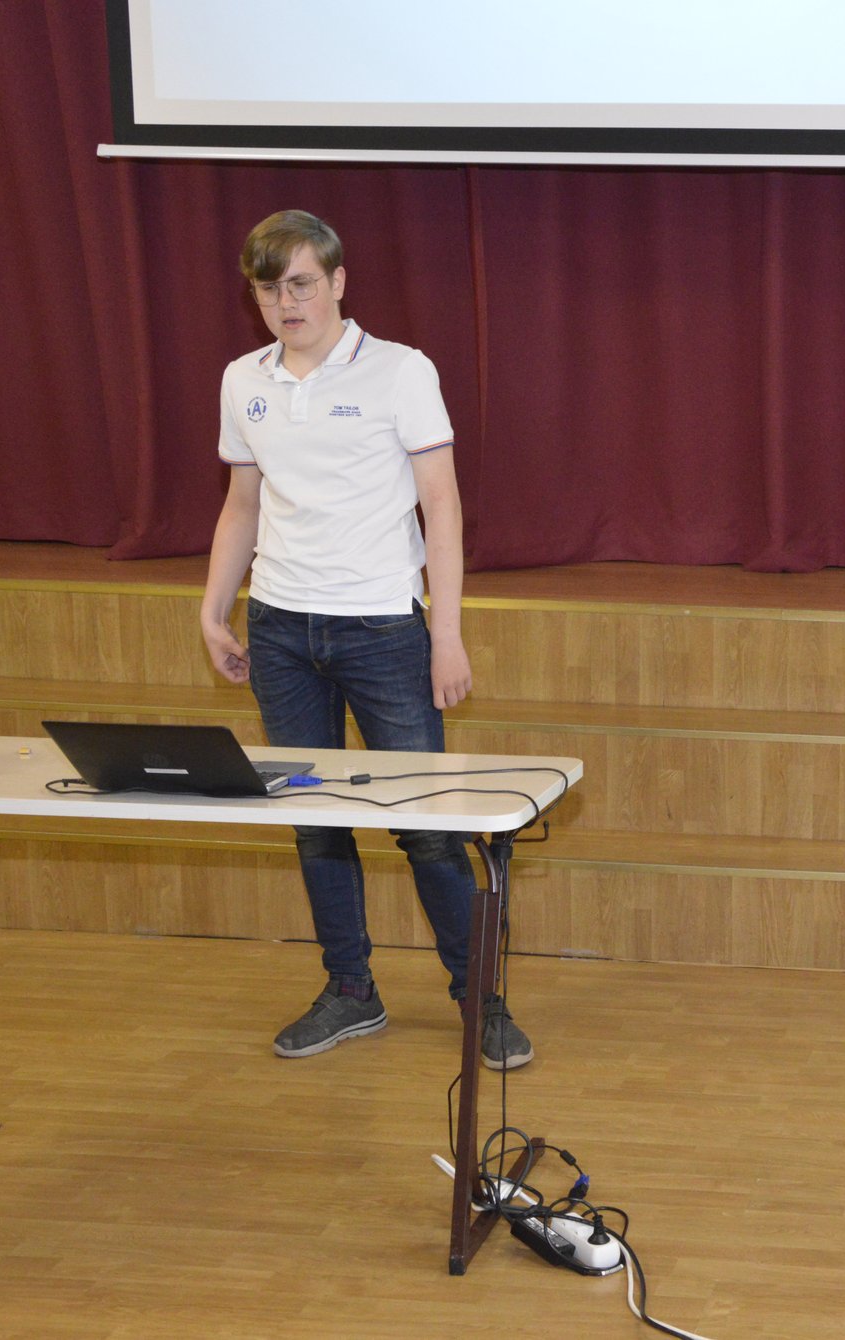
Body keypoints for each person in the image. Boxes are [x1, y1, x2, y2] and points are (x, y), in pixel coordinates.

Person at [199, 209, 531, 1070]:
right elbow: (242, 504)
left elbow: (442, 506)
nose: (287, 303)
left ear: (339, 281)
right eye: (269, 290)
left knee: (426, 827)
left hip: (384, 629)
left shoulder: (400, 371)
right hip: (279, 628)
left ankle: (480, 999)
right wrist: (214, 609)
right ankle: (351, 990)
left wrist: (445, 633)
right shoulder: (243, 379)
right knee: (315, 821)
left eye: (301, 284)